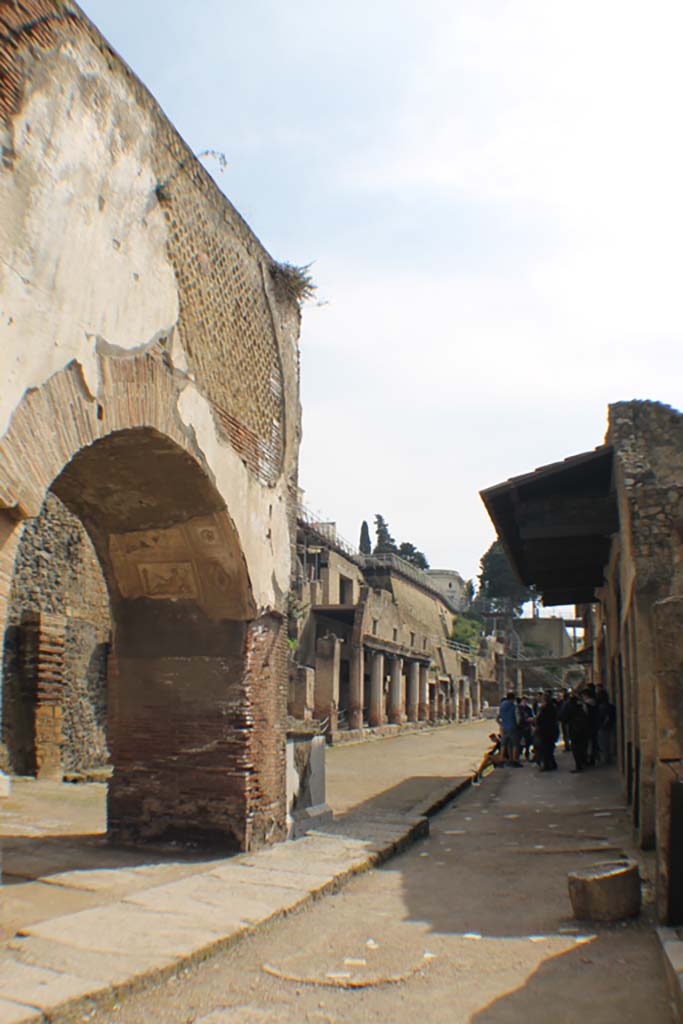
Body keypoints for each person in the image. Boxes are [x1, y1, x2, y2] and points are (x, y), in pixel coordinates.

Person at [535, 691, 559, 771]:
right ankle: (552, 763)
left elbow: (539, 719)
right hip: (552, 730)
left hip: (544, 731)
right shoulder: (553, 707)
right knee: (550, 747)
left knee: (544, 748)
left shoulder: (544, 709)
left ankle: (546, 765)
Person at [566, 694, 590, 772]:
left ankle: (578, 765)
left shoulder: (570, 708)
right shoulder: (582, 707)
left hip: (574, 730)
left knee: (576, 748)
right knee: (582, 747)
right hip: (583, 730)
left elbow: (563, 716)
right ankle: (583, 761)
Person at [497, 692, 522, 766]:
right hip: (512, 726)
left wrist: (501, 724)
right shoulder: (513, 705)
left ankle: (501, 759)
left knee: (503, 744)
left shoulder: (502, 705)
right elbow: (517, 717)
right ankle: (514, 760)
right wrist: (518, 724)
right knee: (514, 744)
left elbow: (499, 716)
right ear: (513, 698)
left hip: (504, 726)